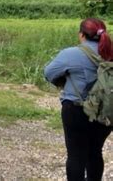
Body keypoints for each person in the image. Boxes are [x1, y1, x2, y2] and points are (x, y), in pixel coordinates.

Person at [44, 18, 113, 180]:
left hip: (76, 109)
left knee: (76, 155)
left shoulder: (71, 53)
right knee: (95, 152)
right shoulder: (110, 53)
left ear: (82, 35)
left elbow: (48, 73)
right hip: (106, 110)